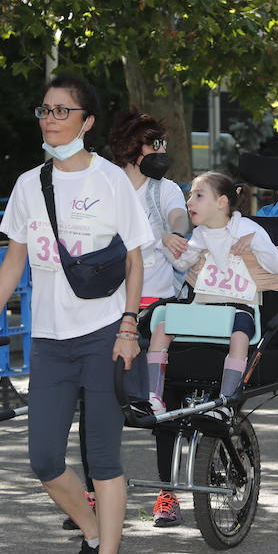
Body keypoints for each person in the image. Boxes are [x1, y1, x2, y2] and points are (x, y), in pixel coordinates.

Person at [0, 73, 152, 554]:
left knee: (104, 459)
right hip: (48, 338)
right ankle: (93, 536)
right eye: (44, 110)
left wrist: (128, 327)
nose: (49, 119)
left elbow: (135, 259)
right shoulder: (29, 184)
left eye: (61, 111)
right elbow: (14, 261)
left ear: (86, 122)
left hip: (102, 335)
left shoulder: (111, 179)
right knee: (45, 458)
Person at [107, 112, 190, 527]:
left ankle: (167, 494)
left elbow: (180, 217)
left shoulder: (166, 189)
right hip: (109, 306)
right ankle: (94, 491)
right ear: (132, 145)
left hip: (160, 304)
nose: (161, 151)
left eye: (163, 143)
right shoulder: (105, 184)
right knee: (101, 402)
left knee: (162, 404)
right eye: (153, 143)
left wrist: (175, 232)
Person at [148, 171, 278, 412]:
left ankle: (227, 400)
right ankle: (153, 395)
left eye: (198, 195)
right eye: (189, 196)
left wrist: (254, 242)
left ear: (221, 202)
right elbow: (181, 264)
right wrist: (167, 242)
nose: (189, 202)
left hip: (239, 306)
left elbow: (277, 265)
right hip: (204, 306)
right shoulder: (200, 234)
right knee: (162, 327)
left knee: (240, 336)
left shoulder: (247, 228)